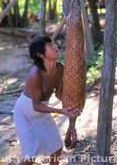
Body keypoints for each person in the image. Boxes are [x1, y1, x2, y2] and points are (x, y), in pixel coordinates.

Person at [14, 36, 81, 165]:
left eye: (53, 43)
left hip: (41, 112)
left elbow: (60, 95)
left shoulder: (60, 68)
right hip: (24, 113)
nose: (54, 46)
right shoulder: (35, 75)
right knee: (30, 157)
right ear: (40, 54)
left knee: (56, 149)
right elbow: (36, 105)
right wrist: (61, 111)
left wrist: (73, 105)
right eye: (49, 45)